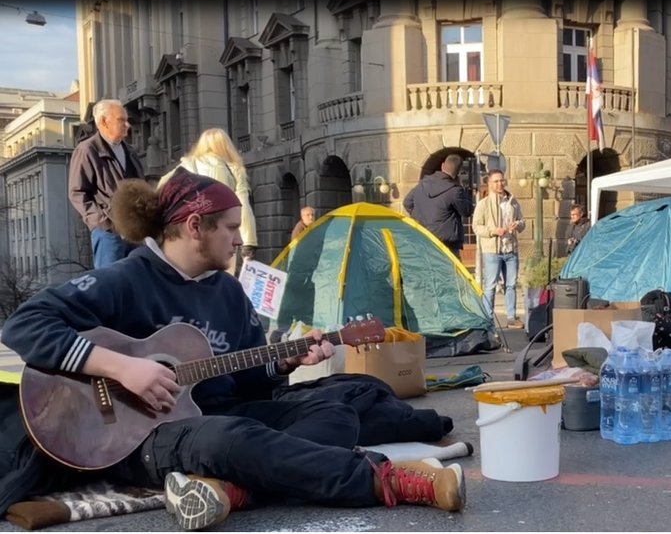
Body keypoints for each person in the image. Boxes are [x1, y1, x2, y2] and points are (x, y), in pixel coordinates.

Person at [0, 169, 464, 530]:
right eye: (230, 227)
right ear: (195, 225)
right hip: (134, 436)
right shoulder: (124, 279)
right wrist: (123, 368)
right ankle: (386, 480)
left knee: (337, 413)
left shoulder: (228, 291)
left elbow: (245, 381)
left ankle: (230, 490)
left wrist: (283, 362)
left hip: (217, 412)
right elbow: (24, 324)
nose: (240, 239)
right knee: (230, 439)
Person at [158, 128, 258, 275]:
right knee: (221, 283)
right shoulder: (234, 169)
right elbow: (243, 208)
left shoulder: (186, 166)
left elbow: (161, 187)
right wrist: (249, 243)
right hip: (222, 235)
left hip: (189, 232)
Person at [69, 98, 145, 268]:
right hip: (110, 234)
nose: (128, 125)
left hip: (135, 231)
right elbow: (77, 192)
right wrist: (103, 223)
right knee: (110, 284)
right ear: (104, 121)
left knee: (134, 283)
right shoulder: (87, 150)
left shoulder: (130, 151)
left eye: (127, 120)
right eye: (121, 120)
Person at [473, 169, 526, 329]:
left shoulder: (513, 202)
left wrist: (518, 225)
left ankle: (511, 317)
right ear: (489, 184)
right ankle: (487, 319)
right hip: (492, 251)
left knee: (511, 285)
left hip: (510, 249)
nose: (500, 184)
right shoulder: (484, 204)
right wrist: (494, 231)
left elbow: (522, 222)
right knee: (490, 286)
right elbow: (476, 227)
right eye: (496, 181)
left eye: (502, 180)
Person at [403, 154, 475, 258]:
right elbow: (467, 211)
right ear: (458, 172)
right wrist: (462, 188)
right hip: (447, 244)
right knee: (450, 273)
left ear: (442, 166)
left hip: (424, 238)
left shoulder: (423, 184)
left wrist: (419, 216)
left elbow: (407, 203)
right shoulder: (454, 191)